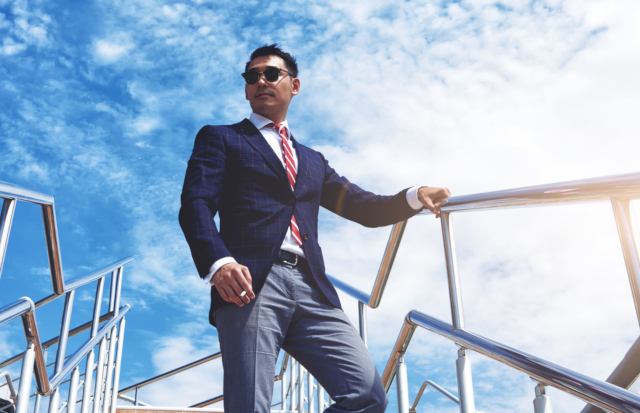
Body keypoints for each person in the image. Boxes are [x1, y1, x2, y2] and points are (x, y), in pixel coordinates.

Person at [179, 44, 451, 413]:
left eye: (271, 73)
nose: (261, 81)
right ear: (246, 88)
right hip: (251, 283)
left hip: (314, 288)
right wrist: (219, 262)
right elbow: (195, 204)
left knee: (368, 395)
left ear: (294, 85)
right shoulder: (222, 137)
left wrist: (414, 196)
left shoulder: (312, 160)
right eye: (252, 76)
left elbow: (362, 206)